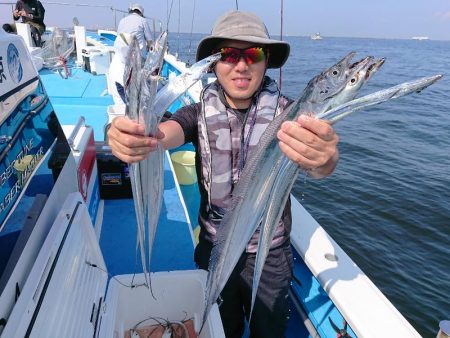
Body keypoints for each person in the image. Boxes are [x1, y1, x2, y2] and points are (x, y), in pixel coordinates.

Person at [107, 10, 340, 338]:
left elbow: (318, 165)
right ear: (214, 62)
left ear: (266, 60)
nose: (241, 65)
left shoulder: (292, 118)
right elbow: (163, 133)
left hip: (269, 254)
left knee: (268, 330)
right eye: (229, 54)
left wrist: (325, 158)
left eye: (253, 54)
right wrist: (132, 136)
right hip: (214, 247)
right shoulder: (197, 112)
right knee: (221, 328)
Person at [107, 3, 153, 117]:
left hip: (121, 52)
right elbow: (150, 40)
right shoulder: (143, 21)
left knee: (123, 80)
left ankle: (128, 103)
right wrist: (150, 50)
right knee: (138, 80)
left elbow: (119, 36)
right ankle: (138, 104)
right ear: (141, 12)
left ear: (131, 11)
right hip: (136, 55)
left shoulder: (123, 20)